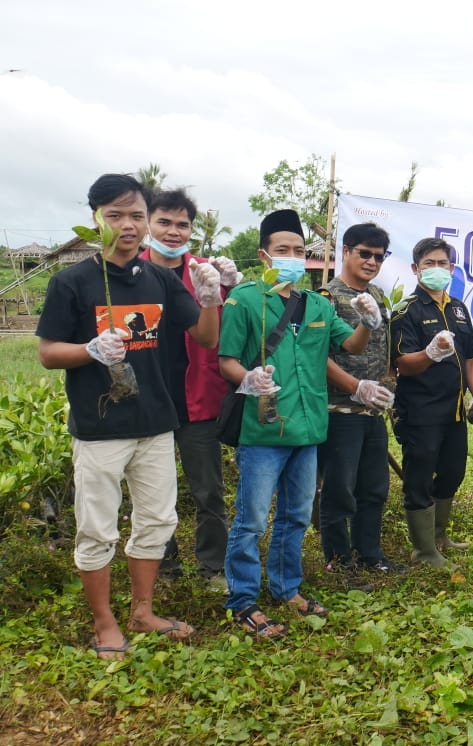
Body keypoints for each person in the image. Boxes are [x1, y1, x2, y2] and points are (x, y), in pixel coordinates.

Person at [37, 173, 222, 658]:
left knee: (158, 521)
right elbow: (48, 353)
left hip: (156, 423)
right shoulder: (71, 281)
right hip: (100, 430)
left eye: (136, 215)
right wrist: (89, 349)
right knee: (98, 527)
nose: (127, 225)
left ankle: (142, 611)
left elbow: (204, 338)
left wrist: (210, 300)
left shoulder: (158, 278)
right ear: (94, 219)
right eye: (114, 215)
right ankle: (104, 624)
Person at [218, 209, 378, 640]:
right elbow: (227, 360)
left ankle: (286, 588)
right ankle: (243, 599)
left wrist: (367, 320)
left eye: (298, 250)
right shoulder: (245, 300)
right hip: (264, 428)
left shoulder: (318, 303)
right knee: (251, 519)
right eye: (282, 250)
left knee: (294, 516)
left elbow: (350, 345)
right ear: (264, 256)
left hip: (308, 430)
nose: (291, 257)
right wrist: (247, 378)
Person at [142, 188, 241, 592]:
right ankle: (163, 566)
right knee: (153, 493)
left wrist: (232, 289)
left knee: (208, 491)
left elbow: (236, 324)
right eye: (164, 221)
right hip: (147, 402)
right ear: (147, 222)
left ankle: (212, 567)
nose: (172, 231)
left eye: (182, 224)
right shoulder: (130, 272)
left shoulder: (205, 273)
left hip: (198, 398)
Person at [391, 237, 473, 568]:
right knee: (418, 477)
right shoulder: (407, 310)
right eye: (428, 264)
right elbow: (402, 363)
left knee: (453, 472)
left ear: (452, 269)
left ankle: (440, 535)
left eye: (442, 263)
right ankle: (424, 550)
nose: (436, 269)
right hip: (420, 410)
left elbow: (472, 357)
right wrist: (430, 354)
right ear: (416, 269)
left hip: (456, 410)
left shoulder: (458, 308)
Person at [317, 222, 403, 582]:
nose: (371, 262)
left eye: (378, 257)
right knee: (339, 489)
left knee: (374, 487)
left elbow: (384, 351)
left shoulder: (380, 298)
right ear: (346, 252)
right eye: (364, 253)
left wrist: (386, 385)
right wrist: (356, 387)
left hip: (373, 412)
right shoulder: (326, 298)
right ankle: (338, 560)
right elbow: (317, 357)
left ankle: (370, 554)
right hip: (340, 410)